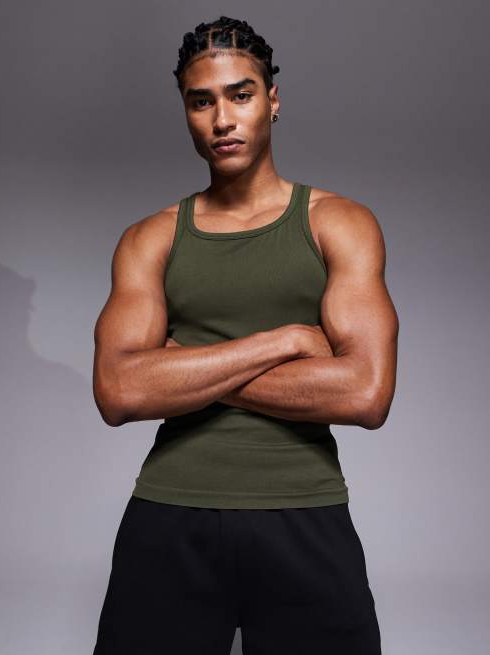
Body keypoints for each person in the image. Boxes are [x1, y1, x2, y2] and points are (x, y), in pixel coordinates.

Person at [91, 15, 399, 655]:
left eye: (241, 94)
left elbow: (366, 395)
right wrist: (285, 340)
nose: (222, 119)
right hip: (170, 511)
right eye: (201, 102)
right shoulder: (151, 238)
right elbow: (119, 392)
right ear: (186, 112)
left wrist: (182, 369)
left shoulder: (338, 223)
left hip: (304, 510)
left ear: (272, 100)